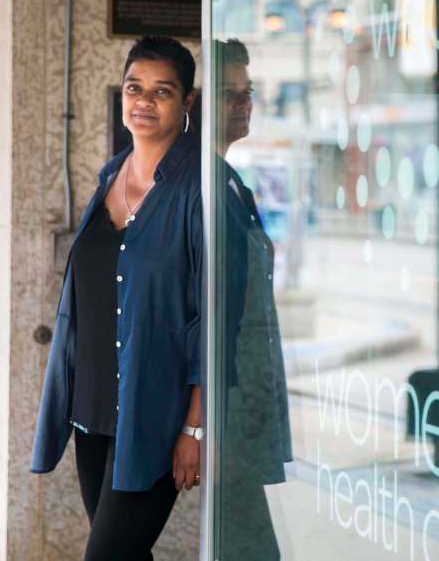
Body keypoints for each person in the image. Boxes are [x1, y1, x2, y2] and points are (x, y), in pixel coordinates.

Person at [30, 35, 203, 561]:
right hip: (92, 412)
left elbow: (212, 319)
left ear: (187, 102)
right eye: (135, 87)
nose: (144, 101)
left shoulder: (199, 189)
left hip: (154, 416)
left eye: (162, 91)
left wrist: (194, 427)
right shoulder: (111, 174)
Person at [212, 38, 293, 560]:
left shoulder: (231, 182)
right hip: (225, 414)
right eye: (229, 92)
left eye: (248, 91)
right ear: (195, 102)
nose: (244, 103)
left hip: (243, 412)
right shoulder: (200, 185)